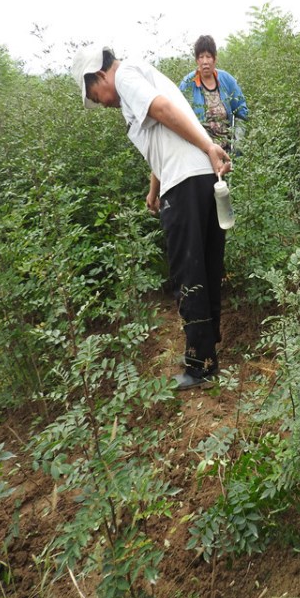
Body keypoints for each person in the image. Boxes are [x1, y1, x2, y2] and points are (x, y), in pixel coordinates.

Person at [72, 45, 231, 390]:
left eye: (96, 97)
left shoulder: (126, 75)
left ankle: (199, 366)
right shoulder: (143, 75)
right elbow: (163, 131)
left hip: (186, 182)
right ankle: (206, 351)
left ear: (98, 75)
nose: (102, 103)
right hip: (200, 177)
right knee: (205, 265)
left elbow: (161, 110)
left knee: (188, 272)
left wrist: (207, 147)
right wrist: (154, 188)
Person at [178, 34, 248, 154]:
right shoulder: (188, 84)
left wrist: (237, 145)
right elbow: (178, 116)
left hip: (227, 153)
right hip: (200, 153)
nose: (205, 62)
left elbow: (241, 112)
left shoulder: (227, 80)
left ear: (215, 59)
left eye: (208, 56)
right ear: (196, 60)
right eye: (201, 57)